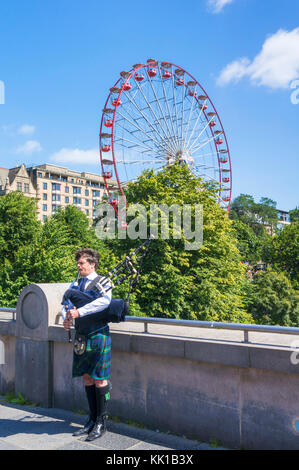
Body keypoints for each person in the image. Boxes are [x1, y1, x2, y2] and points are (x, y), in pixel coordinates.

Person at [63, 248, 112, 441]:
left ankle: (102, 422)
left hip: (98, 334)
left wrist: (79, 312)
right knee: (87, 377)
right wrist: (66, 317)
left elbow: (104, 303)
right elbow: (66, 303)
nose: (78, 265)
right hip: (82, 336)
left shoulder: (104, 282)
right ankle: (91, 420)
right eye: (78, 262)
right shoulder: (75, 283)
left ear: (92, 264)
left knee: (100, 378)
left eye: (82, 262)